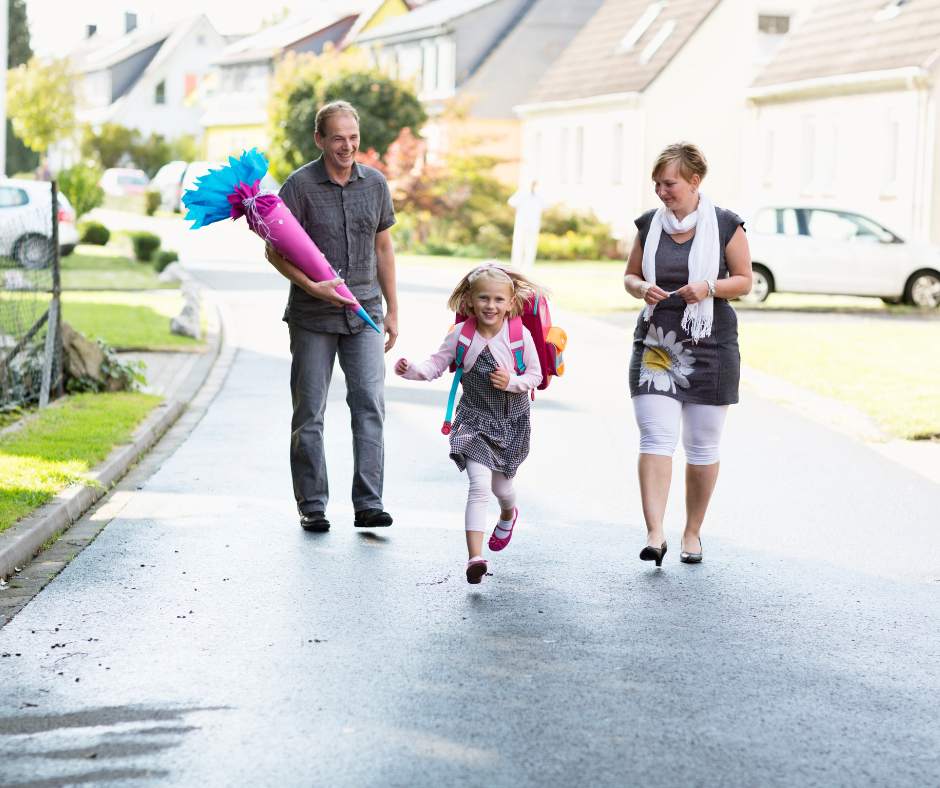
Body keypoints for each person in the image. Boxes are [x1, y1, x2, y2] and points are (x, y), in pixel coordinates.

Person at [265, 100, 399, 533]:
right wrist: (310, 286)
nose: (347, 146)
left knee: (369, 406)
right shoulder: (299, 187)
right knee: (309, 413)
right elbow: (274, 249)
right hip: (311, 315)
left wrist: (393, 310)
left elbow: (383, 249)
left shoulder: (375, 184)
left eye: (353, 137)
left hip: (364, 313)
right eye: (338, 138)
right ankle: (313, 505)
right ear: (320, 139)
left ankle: (369, 504)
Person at [622, 143, 753, 566]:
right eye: (657, 184)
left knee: (701, 446)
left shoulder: (727, 225)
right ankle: (655, 531)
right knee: (655, 437)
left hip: (710, 343)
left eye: (670, 183)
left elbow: (745, 281)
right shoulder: (649, 225)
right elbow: (630, 275)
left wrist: (709, 286)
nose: (661, 191)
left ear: (695, 181)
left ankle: (692, 531)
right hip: (658, 340)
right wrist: (642, 288)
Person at [394, 264, 543, 584]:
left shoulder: (519, 336)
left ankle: (508, 513)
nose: (491, 306)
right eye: (484, 299)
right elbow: (435, 365)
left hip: (512, 421)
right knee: (478, 486)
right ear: (470, 301)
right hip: (474, 420)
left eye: (498, 299)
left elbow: (536, 375)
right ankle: (475, 557)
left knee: (502, 488)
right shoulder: (461, 336)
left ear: (511, 301)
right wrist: (410, 369)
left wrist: (513, 382)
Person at [508, 181, 544, 270]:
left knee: (531, 244)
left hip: (533, 224)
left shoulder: (539, 195)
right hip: (521, 223)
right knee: (518, 243)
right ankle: (516, 264)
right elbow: (511, 202)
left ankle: (528, 264)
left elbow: (546, 205)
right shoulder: (522, 193)